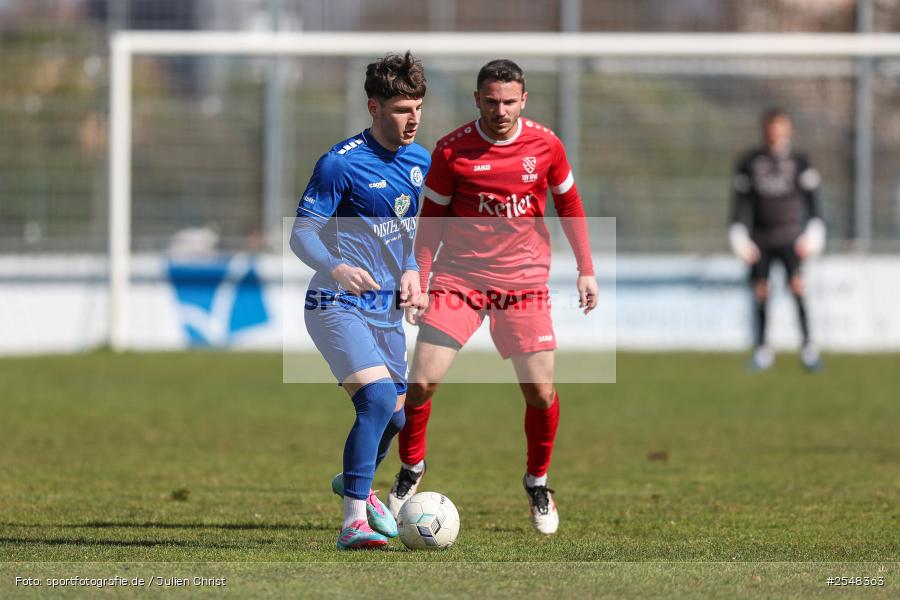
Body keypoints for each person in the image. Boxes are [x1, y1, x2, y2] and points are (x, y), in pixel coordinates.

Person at [387, 59, 598, 535]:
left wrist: (586, 269)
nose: (500, 110)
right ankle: (411, 468)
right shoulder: (452, 151)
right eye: (491, 101)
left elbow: (569, 203)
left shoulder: (546, 145)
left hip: (523, 283)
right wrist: (420, 277)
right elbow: (431, 222)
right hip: (459, 280)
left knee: (540, 392)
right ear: (477, 100)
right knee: (420, 383)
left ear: (524, 100)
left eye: (509, 101)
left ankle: (538, 481)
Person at [290, 51, 429, 549]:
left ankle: (358, 482)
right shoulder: (339, 164)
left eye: (417, 107)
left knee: (396, 416)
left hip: (386, 312)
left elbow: (412, 237)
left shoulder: (420, 162)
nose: (412, 119)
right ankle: (353, 521)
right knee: (374, 401)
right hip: (334, 303)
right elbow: (301, 235)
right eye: (399, 109)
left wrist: (413, 272)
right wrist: (336, 266)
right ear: (373, 108)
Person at [728, 108, 825, 372]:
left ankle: (808, 348)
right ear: (765, 130)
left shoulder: (800, 161)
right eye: (772, 128)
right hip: (760, 238)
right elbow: (739, 204)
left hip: (790, 237)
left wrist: (814, 231)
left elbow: (813, 201)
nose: (775, 133)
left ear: (788, 130)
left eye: (780, 127)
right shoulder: (750, 162)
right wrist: (738, 234)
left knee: (797, 287)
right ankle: (762, 349)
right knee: (761, 291)